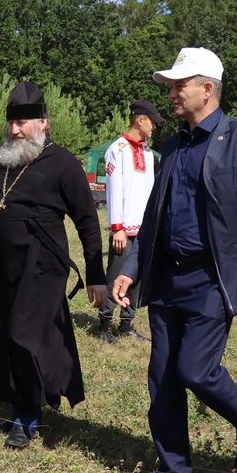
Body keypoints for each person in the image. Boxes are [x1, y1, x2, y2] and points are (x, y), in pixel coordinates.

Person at [110, 47, 237, 473]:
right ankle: (172, 469)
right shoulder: (174, 143)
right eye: (170, 84)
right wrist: (133, 268)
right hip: (167, 276)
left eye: (180, 84)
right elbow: (155, 212)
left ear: (209, 88)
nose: (172, 92)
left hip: (211, 277)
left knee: (196, 370)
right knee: (162, 373)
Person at [0, 81, 107, 449]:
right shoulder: (6, 162)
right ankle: (17, 403)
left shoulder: (63, 163)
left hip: (42, 267)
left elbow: (86, 220)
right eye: (11, 123)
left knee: (25, 336)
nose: (15, 130)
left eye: (24, 123)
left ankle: (29, 414)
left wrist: (96, 275)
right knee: (1, 332)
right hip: (0, 266)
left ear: (43, 123)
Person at [97, 100, 160, 342]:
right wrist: (117, 228)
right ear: (140, 119)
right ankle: (104, 323)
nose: (154, 127)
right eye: (152, 121)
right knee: (116, 273)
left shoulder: (147, 153)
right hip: (124, 227)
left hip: (144, 228)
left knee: (137, 276)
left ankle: (126, 323)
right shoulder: (118, 149)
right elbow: (114, 188)